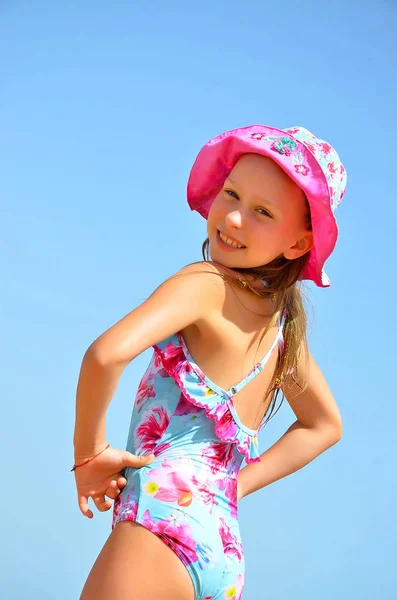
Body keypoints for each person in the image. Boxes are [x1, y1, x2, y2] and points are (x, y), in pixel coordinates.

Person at [73, 124, 346, 600]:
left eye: (262, 211)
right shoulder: (283, 332)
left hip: (158, 528)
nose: (235, 218)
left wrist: (89, 456)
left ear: (299, 244)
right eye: (232, 194)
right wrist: (234, 487)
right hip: (222, 549)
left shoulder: (205, 283)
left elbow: (104, 355)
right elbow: (325, 426)